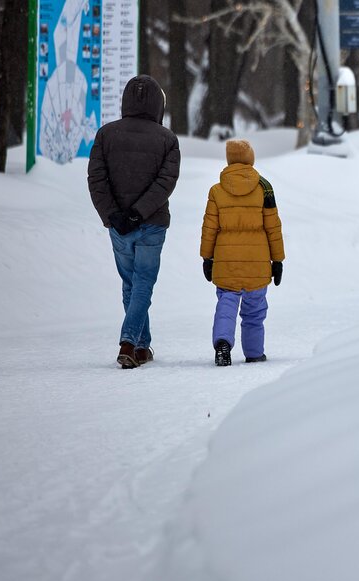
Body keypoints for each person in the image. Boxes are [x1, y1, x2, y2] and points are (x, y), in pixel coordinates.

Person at [87, 75, 180, 368]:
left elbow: (96, 179)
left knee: (131, 284)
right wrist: (139, 212)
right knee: (142, 284)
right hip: (152, 223)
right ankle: (129, 343)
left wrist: (113, 214)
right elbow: (166, 182)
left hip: (118, 226)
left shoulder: (106, 135)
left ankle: (142, 346)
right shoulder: (167, 139)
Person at [200, 140, 285, 366]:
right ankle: (255, 352)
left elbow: (209, 228)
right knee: (255, 311)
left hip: (226, 261)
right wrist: (277, 260)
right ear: (251, 159)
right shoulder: (264, 188)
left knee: (227, 303)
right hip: (257, 261)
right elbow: (273, 227)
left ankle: (223, 344)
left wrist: (206, 257)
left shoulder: (216, 190)